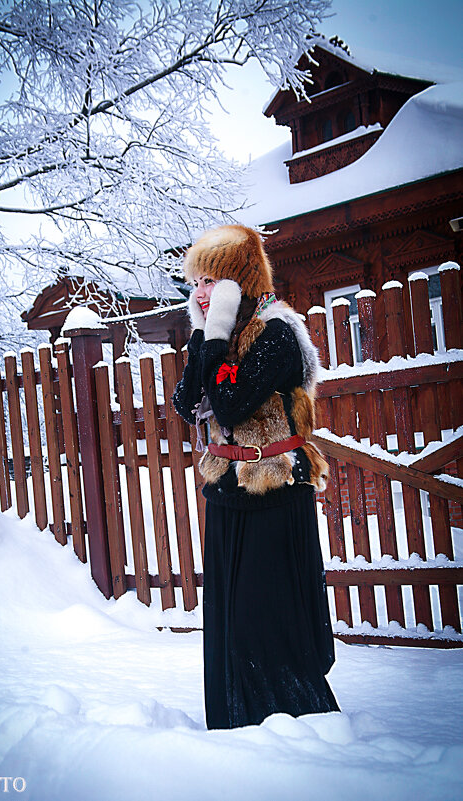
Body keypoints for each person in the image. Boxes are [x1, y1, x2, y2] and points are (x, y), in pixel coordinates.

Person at [172, 224, 339, 730]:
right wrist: (205, 336)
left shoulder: (278, 333)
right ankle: (235, 726)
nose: (200, 292)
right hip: (228, 491)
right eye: (196, 281)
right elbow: (187, 402)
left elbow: (229, 400)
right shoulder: (218, 336)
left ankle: (294, 726)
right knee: (228, 618)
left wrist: (212, 334)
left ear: (240, 282)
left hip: (273, 490)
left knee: (262, 616)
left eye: (212, 280)